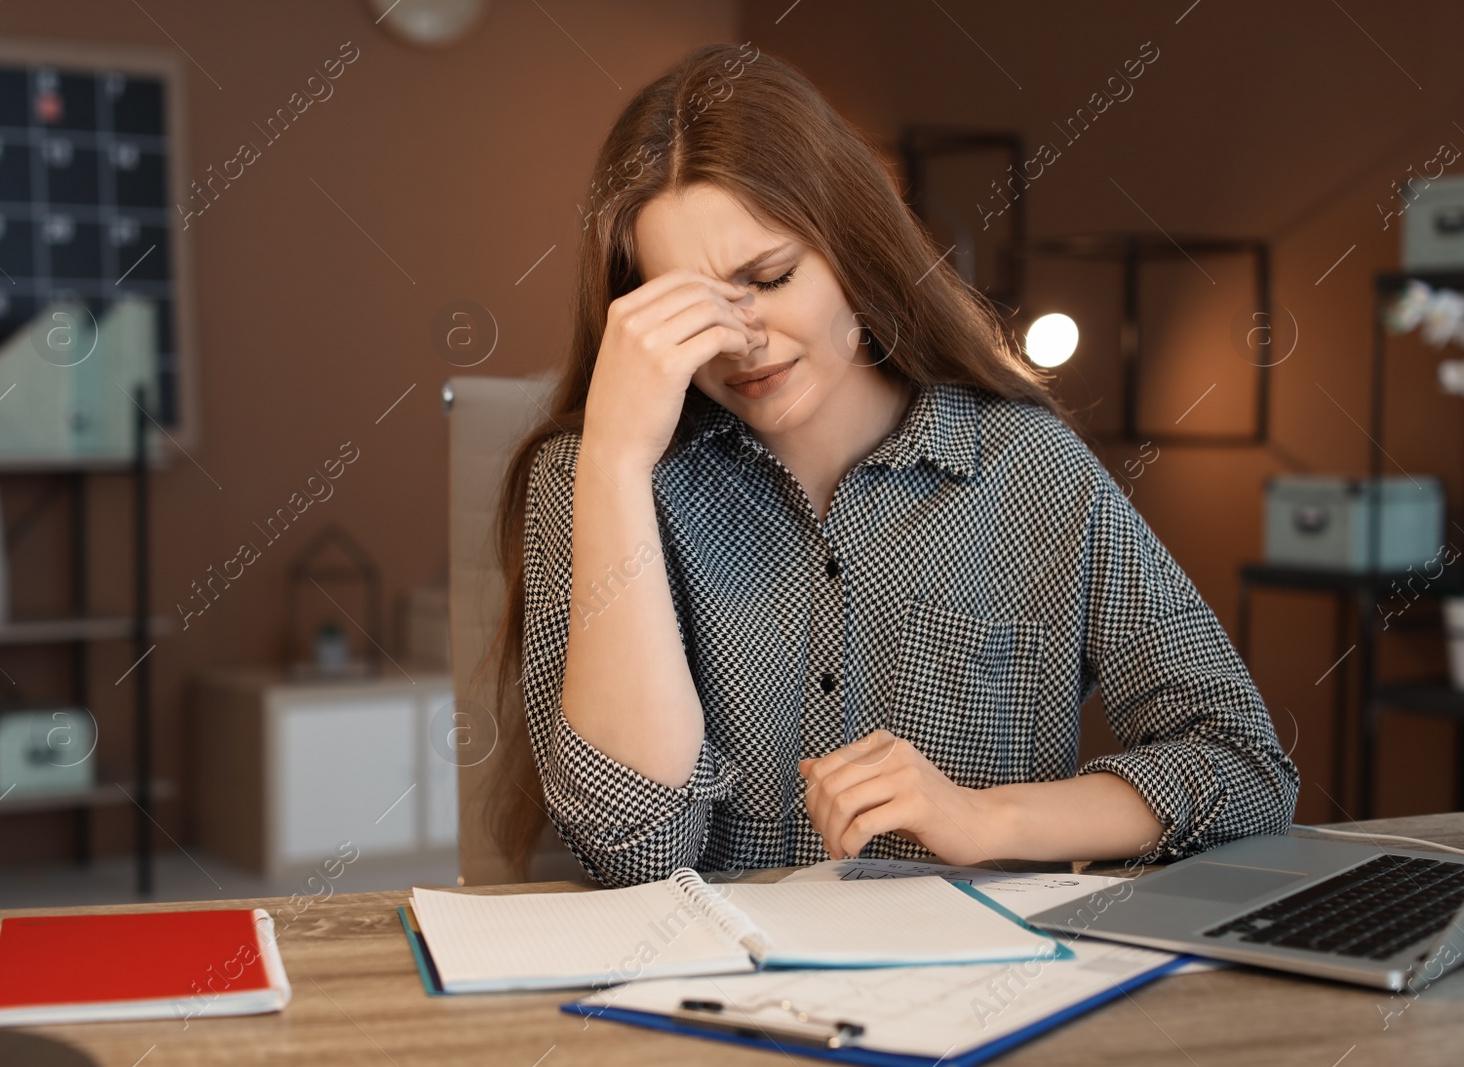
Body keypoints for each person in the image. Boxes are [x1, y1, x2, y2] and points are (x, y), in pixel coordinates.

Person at [482, 41, 1299, 889]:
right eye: (687, 308)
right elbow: (635, 850)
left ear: (853, 247)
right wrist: (614, 463)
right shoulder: (594, 481)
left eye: (770, 277)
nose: (741, 339)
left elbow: (1243, 767)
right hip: (707, 1000)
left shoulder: (1029, 470)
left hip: (975, 1002)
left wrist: (988, 817)